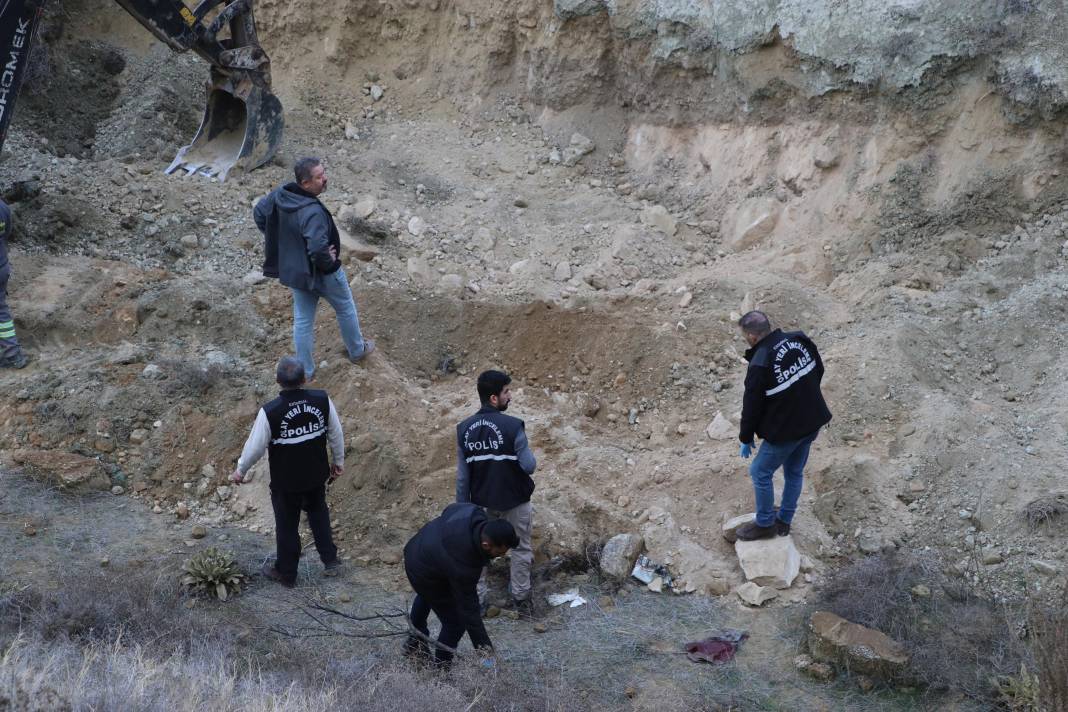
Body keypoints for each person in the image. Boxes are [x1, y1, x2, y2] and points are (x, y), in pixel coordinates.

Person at [253, 157, 374, 381]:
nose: (324, 178)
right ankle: (357, 351)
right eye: (319, 177)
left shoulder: (281, 195)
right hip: (324, 274)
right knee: (345, 308)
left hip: (298, 275)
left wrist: (284, 244)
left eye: (323, 173)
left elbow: (259, 214)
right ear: (306, 183)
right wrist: (330, 263)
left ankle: (306, 372)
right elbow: (318, 249)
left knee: (303, 321)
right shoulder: (312, 212)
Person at [229, 356, 344, 586]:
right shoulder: (322, 399)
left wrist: (240, 470)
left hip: (286, 482)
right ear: (304, 378)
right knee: (319, 515)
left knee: (287, 526)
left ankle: (287, 573)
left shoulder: (270, 412)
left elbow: (255, 448)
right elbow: (336, 432)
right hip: (316, 475)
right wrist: (338, 461)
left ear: (277, 381)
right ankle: (330, 560)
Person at [735, 311, 832, 541]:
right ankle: (785, 520)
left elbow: (751, 405)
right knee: (794, 472)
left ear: (752, 336)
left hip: (787, 431)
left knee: (759, 471)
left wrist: (745, 437)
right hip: (812, 420)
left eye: (745, 336)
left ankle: (766, 523)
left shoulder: (760, 361)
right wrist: (802, 396)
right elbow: (818, 370)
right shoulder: (799, 340)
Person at [456, 370, 537, 614]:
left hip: (481, 504)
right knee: (520, 548)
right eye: (506, 392)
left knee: (479, 549)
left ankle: (478, 600)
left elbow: (462, 477)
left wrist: (462, 510)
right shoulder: (513, 426)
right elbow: (529, 466)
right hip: (515, 500)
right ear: (494, 398)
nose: (509, 396)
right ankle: (521, 600)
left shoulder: (464, 429)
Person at [403, 502, 519, 667]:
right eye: (499, 553)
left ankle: (414, 641)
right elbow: (470, 612)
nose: (501, 556)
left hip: (418, 547)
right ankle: (442, 668)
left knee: (428, 595)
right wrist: (486, 653)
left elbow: (448, 509)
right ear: (486, 545)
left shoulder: (472, 512)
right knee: (455, 623)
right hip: (422, 569)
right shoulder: (464, 566)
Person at [0, 199, 28, 369]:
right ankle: (13, 354)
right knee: (1, 311)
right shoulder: (2, 207)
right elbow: (8, 232)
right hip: (1, 266)